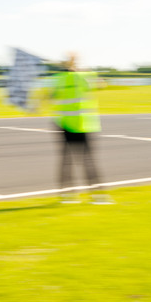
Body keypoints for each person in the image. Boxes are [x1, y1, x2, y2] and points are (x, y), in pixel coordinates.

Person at [50, 53, 114, 204]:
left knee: (66, 160)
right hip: (82, 124)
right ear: (75, 64)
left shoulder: (57, 79)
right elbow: (101, 84)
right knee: (88, 160)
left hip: (64, 124)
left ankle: (67, 196)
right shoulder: (83, 76)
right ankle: (98, 196)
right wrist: (81, 69)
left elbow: (52, 96)